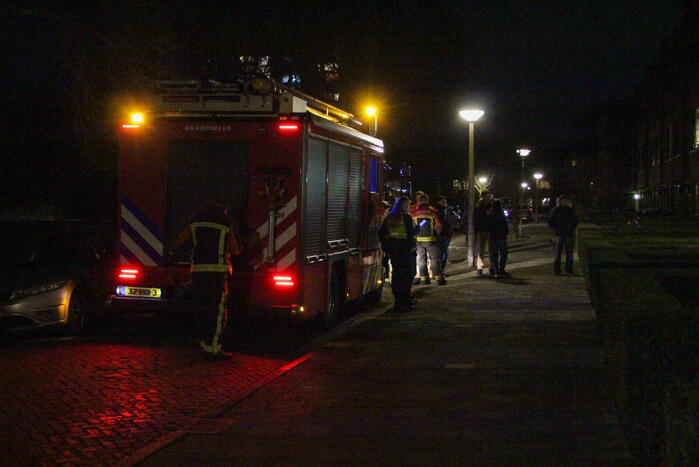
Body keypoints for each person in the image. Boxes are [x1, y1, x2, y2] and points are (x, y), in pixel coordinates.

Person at [176, 199, 242, 360]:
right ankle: (214, 349)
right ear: (224, 209)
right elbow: (235, 249)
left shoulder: (195, 221)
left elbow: (180, 242)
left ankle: (204, 344)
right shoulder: (227, 222)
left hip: (198, 271)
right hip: (218, 272)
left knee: (202, 308)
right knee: (217, 311)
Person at [378, 196, 418, 312]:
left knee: (396, 275)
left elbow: (381, 233)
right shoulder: (407, 217)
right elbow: (410, 234)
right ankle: (405, 300)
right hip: (405, 251)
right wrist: (417, 230)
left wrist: (387, 246)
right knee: (407, 275)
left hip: (393, 251)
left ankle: (398, 301)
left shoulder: (389, 217)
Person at [411, 193, 446, 285]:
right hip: (431, 239)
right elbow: (438, 226)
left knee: (421, 260)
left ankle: (424, 279)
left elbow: (412, 227)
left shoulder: (413, 213)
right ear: (427, 201)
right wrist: (437, 235)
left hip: (418, 240)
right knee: (434, 259)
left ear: (419, 202)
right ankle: (439, 279)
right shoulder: (432, 212)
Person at [547, 195, 578, 275]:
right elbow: (550, 221)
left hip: (567, 234)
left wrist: (571, 228)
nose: (564, 202)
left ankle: (568, 269)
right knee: (558, 253)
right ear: (560, 201)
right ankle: (557, 269)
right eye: (563, 201)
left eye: (565, 201)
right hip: (559, 234)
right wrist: (556, 228)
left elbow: (575, 221)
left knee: (569, 253)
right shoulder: (556, 210)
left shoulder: (570, 210)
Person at [473, 190, 494, 276]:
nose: (488, 198)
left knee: (491, 249)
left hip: (489, 229)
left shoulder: (490, 205)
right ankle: (480, 267)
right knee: (481, 250)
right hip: (482, 230)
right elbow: (476, 219)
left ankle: (491, 267)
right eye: (487, 196)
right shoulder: (479, 206)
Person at [486, 199, 509, 277]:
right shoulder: (502, 215)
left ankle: (495, 270)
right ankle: (501, 269)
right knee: (503, 254)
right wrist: (505, 233)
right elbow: (505, 226)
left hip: (493, 237)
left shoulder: (490, 215)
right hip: (501, 237)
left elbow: (488, 227)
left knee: (494, 255)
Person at [434, 196, 453, 274]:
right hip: (442, 235)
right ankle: (439, 272)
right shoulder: (439, 211)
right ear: (438, 202)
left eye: (445, 201)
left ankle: (440, 271)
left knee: (443, 253)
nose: (445, 203)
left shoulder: (444, 210)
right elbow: (440, 223)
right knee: (442, 254)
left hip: (446, 234)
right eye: (443, 201)